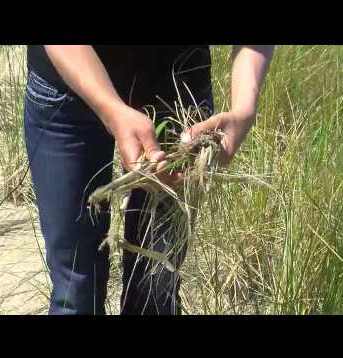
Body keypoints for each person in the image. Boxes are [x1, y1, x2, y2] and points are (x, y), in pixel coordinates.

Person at [24, 45, 274, 315]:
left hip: (178, 100)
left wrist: (244, 110)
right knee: (75, 292)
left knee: (156, 287)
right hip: (67, 90)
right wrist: (111, 109)